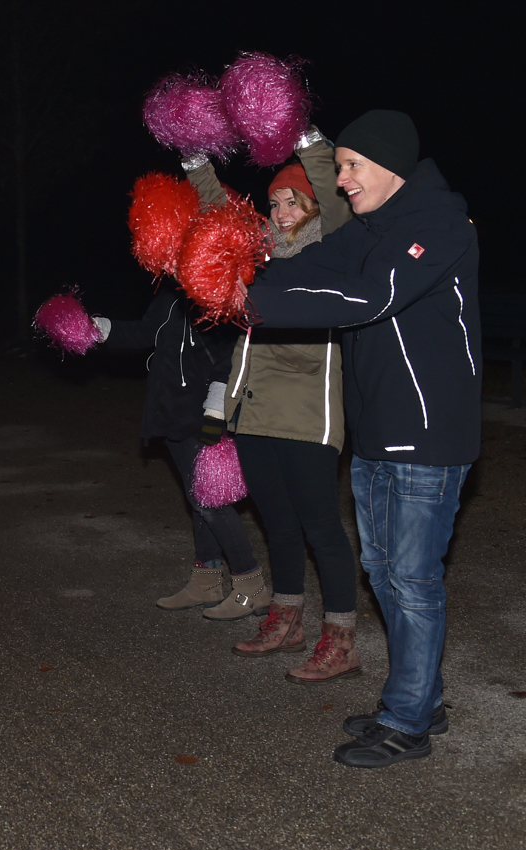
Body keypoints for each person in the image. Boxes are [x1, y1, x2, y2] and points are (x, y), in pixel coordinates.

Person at [243, 110, 481, 767]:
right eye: (339, 164)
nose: (342, 179)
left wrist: (252, 308)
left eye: (353, 166)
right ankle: (417, 698)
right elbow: (312, 265)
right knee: (386, 575)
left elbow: (370, 298)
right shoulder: (372, 230)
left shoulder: (437, 225)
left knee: (413, 580)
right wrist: (234, 279)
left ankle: (407, 721)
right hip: (374, 432)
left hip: (429, 434)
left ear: (391, 166)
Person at [184, 129, 361, 680]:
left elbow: (335, 198)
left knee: (321, 528)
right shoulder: (260, 253)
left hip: (308, 415)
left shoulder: (334, 249)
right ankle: (288, 619)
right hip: (254, 410)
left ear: (314, 206)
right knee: (278, 524)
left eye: (294, 202)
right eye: (276, 203)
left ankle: (342, 636)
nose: (282, 212)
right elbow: (223, 209)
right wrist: (194, 159)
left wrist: (305, 137)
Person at [94, 263, 266, 621]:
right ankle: (206, 580)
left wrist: (215, 410)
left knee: (210, 502)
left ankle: (251, 585)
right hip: (170, 410)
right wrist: (98, 328)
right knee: (198, 499)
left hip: (203, 415)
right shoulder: (171, 294)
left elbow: (231, 355)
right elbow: (144, 333)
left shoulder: (219, 293)